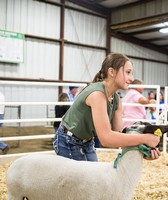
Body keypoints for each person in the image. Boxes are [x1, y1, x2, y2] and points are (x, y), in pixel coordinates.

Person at [53, 53, 160, 162]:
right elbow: (106, 139)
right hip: (68, 140)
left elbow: (119, 135)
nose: (132, 79)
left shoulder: (116, 100)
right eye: (128, 73)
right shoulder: (97, 94)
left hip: (87, 142)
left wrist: (144, 150)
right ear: (112, 72)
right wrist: (145, 138)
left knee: (93, 178)